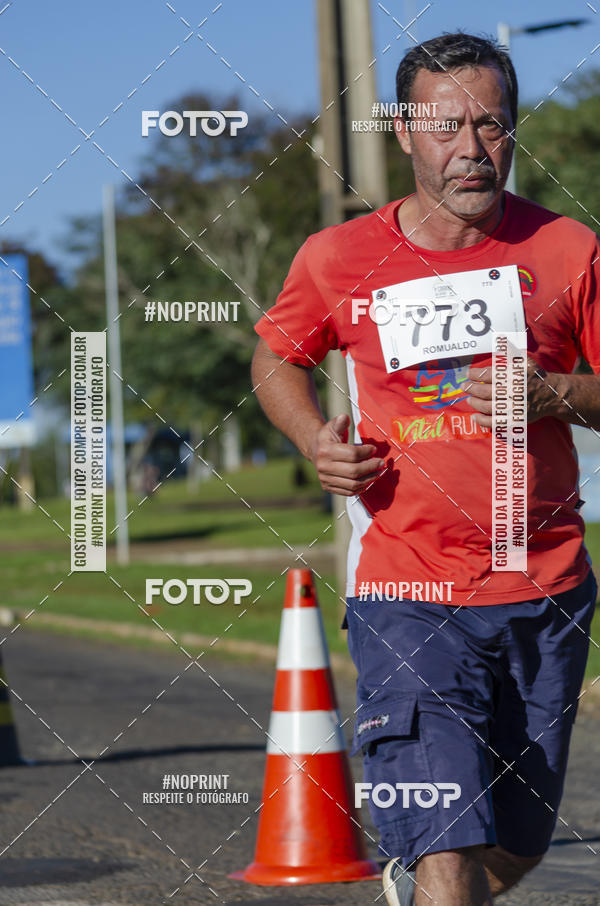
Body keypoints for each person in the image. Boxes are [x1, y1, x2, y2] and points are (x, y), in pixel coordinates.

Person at [251, 32, 600, 906]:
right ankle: (433, 872)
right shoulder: (337, 259)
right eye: (448, 128)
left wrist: (557, 394)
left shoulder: (568, 252)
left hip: (544, 587)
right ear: (406, 131)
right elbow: (276, 357)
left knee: (514, 846)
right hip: (409, 594)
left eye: (492, 125)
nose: (472, 150)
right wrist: (310, 441)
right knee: (449, 841)